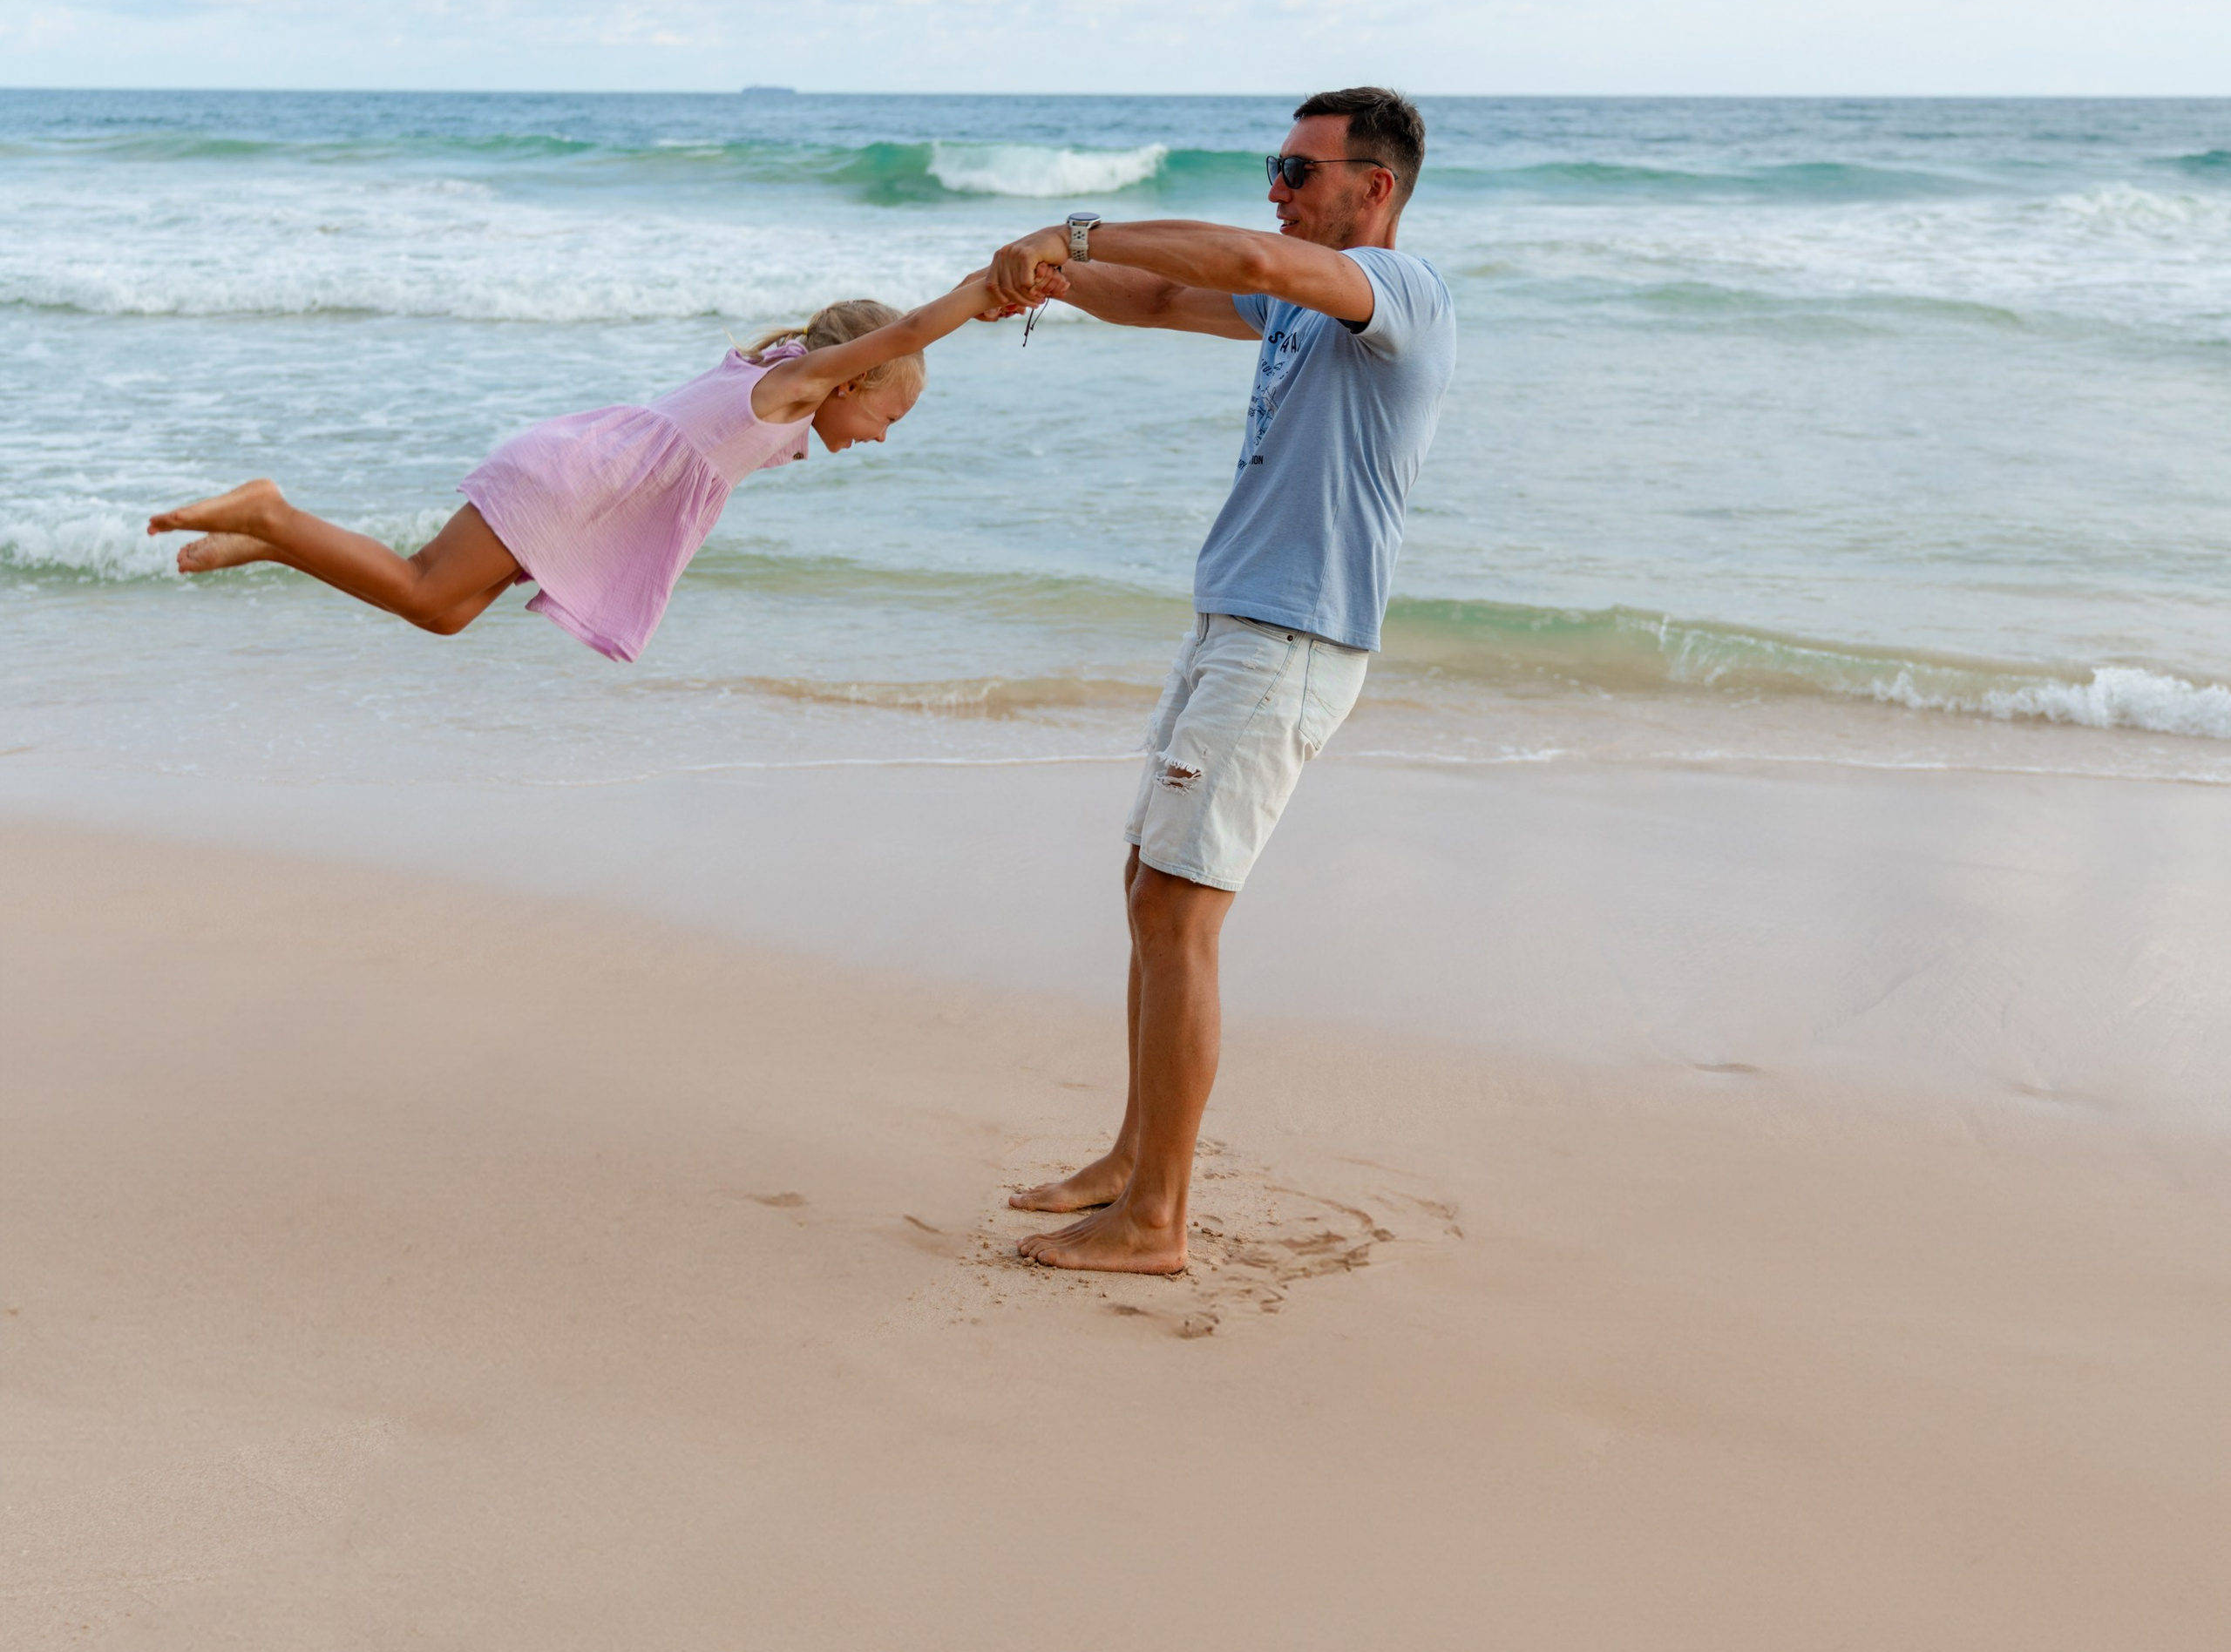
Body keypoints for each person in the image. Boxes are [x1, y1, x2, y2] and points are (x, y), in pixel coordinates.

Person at [987, 85, 1456, 1276]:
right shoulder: (1297, 305)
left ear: (1375, 187)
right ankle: (1132, 1161)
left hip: (1291, 639)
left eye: (1300, 171)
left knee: (1181, 914)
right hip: (1238, 623)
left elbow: (1247, 253)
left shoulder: (1397, 292)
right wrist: (1047, 278)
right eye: (1275, 165)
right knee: (1151, 881)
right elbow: (1161, 293)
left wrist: (1077, 229)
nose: (1277, 189)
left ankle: (1155, 1219)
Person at [145, 273, 1047, 664]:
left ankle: (267, 542)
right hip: (572, 478)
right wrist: (989, 289)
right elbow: (911, 330)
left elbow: (896, 348)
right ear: (850, 378)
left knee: (447, 611)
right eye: (890, 413)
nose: (887, 435)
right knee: (428, 593)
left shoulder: (783, 390)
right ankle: (268, 513)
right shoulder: (792, 389)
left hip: (585, 483)